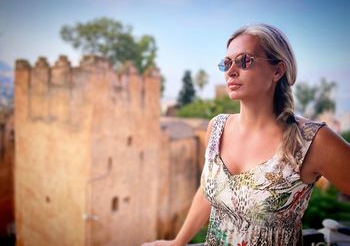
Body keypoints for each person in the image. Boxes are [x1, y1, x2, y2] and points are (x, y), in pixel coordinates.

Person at [142, 24, 350, 246]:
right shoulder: (217, 127)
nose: (231, 71)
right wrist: (178, 242)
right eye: (227, 63)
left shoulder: (311, 140)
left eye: (244, 60)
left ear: (277, 70)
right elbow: (208, 190)